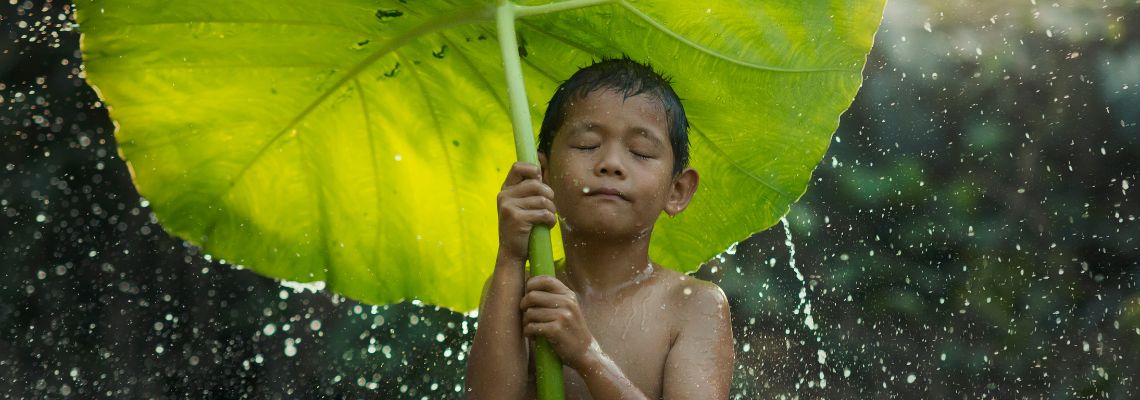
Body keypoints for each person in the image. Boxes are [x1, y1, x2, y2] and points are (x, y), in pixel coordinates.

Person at [466, 57, 734, 399]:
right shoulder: (516, 290)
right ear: (543, 174)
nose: (610, 164)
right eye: (587, 145)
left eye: (640, 152)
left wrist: (587, 355)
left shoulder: (694, 305)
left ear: (677, 191)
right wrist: (509, 256)